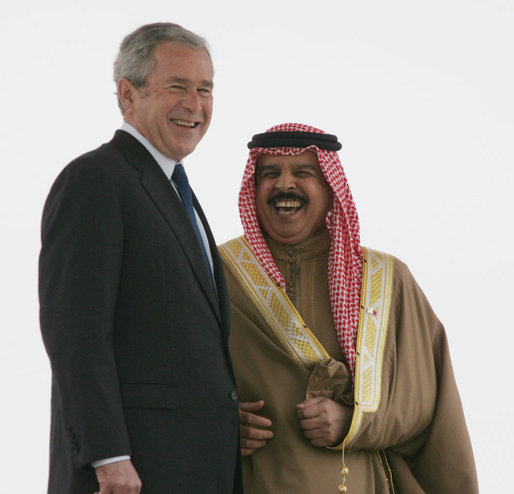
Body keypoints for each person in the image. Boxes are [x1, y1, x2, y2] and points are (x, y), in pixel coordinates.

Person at [219, 122, 478, 493]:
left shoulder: (386, 280)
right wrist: (217, 422)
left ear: (329, 187)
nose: (283, 185)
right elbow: (171, 375)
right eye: (270, 174)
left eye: (303, 173)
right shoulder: (216, 272)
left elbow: (427, 402)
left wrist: (353, 422)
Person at [39, 23, 242, 494]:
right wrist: (109, 456)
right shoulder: (95, 180)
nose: (195, 104)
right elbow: (76, 334)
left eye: (205, 89)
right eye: (177, 86)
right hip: (131, 475)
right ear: (128, 95)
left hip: (195, 469)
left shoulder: (177, 192)